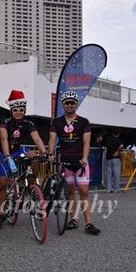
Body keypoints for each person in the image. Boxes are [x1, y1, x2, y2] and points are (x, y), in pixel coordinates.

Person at [48, 90, 101, 235]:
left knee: (84, 192)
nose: (69, 105)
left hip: (80, 163)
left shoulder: (84, 122)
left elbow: (86, 143)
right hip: (65, 163)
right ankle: (74, 219)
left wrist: (85, 158)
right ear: (63, 104)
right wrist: (50, 154)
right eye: (67, 103)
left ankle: (89, 223)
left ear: (76, 104)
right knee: (70, 191)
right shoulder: (56, 122)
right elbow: (52, 140)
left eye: (72, 103)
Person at [0, 90, 46, 230]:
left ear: (25, 110)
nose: (18, 112)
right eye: (15, 110)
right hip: (4, 153)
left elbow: (37, 138)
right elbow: (4, 139)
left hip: (18, 150)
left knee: (34, 157)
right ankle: (0, 213)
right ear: (11, 110)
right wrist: (8, 157)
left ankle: (31, 184)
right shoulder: (5, 122)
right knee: (2, 184)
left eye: (21, 110)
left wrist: (45, 152)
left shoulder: (28, 123)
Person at [105, 128, 124, 193]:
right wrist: (117, 152)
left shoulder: (108, 139)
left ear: (112, 133)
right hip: (116, 158)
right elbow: (121, 146)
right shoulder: (119, 141)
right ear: (118, 134)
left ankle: (108, 189)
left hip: (108, 158)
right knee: (116, 174)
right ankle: (116, 189)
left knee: (108, 174)